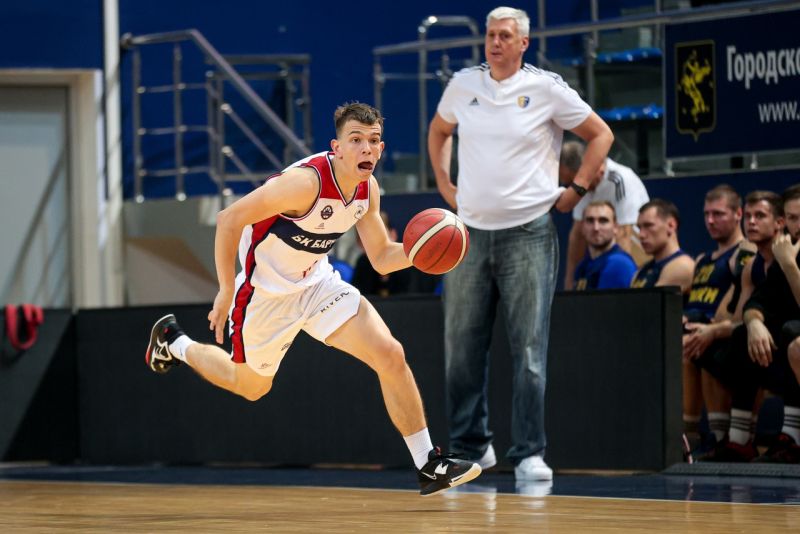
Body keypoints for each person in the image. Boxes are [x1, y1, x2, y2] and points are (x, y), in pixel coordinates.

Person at [144, 102, 481, 496]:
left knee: (390, 354)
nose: (366, 148)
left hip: (317, 283)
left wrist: (420, 251)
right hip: (265, 294)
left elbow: (380, 256)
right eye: (356, 139)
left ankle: (428, 464)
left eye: (373, 140)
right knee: (250, 386)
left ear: (381, 148)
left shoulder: (367, 190)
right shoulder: (304, 184)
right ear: (336, 147)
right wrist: (225, 289)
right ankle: (174, 343)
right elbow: (229, 219)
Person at [427, 6, 614, 481]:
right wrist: (444, 183)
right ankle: (471, 447)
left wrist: (577, 190)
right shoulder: (464, 84)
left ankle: (530, 451)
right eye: (491, 35)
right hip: (468, 234)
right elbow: (439, 129)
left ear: (523, 43)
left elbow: (600, 134)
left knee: (529, 350)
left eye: (505, 36)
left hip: (529, 232)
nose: (495, 42)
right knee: (460, 348)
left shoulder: (546, 88)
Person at [692, 190, 784, 461]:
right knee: (716, 346)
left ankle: (789, 438)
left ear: (779, 223)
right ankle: (732, 440)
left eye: (760, 216)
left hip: (786, 341)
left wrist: (718, 329)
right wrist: (748, 323)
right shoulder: (751, 267)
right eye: (750, 216)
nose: (752, 222)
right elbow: (741, 316)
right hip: (763, 344)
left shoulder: (787, 259)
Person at [680, 185, 754, 455]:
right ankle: (690, 435)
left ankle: (692, 434)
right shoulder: (702, 259)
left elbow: (740, 301)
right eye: (706, 214)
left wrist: (711, 327)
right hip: (698, 329)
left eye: (718, 214)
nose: (711, 220)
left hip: (724, 333)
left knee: (690, 349)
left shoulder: (744, 252)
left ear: (738, 214)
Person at [560, 141, 650, 289]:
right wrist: (569, 281)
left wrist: (620, 271)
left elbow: (625, 235)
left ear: (585, 169)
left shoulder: (621, 179)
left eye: (571, 182)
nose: (570, 189)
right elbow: (577, 235)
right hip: (603, 259)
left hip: (636, 258)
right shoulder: (581, 186)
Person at [630, 199, 695, 292]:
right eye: (639, 228)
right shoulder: (641, 271)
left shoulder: (682, 266)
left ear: (671, 226)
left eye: (649, 225)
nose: (641, 235)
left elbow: (650, 301)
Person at [572, 200, 637, 290]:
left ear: (615, 227)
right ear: (582, 227)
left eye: (603, 221)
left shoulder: (619, 263)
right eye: (590, 221)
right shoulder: (582, 266)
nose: (596, 228)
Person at [351, 210, 412, 296]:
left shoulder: (409, 260)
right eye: (367, 238)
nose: (373, 243)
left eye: (378, 236)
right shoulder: (362, 263)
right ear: (359, 242)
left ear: (393, 235)